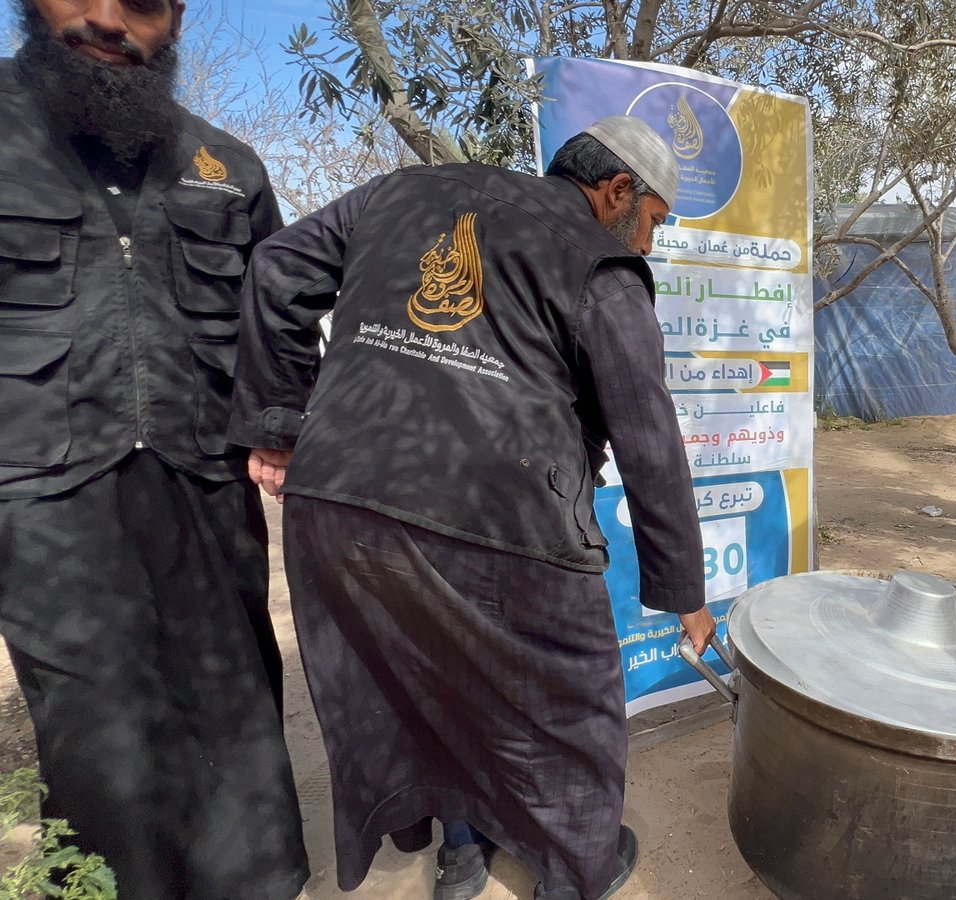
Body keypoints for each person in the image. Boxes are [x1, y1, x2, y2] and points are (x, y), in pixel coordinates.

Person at [226, 116, 717, 900]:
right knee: (572, 710)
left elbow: (276, 265)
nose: (649, 242)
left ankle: (463, 852)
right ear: (618, 189)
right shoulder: (601, 262)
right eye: (654, 221)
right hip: (504, 520)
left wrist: (281, 426)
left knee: (429, 682)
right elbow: (648, 439)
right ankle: (575, 873)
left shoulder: (403, 190)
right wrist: (685, 593)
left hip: (337, 503)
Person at [0, 1, 309, 896]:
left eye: (140, 1)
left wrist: (281, 424)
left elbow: (278, 319)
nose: (106, 18)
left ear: (174, 19)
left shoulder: (227, 167)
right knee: (95, 725)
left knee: (233, 699)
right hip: (44, 496)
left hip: (205, 479)